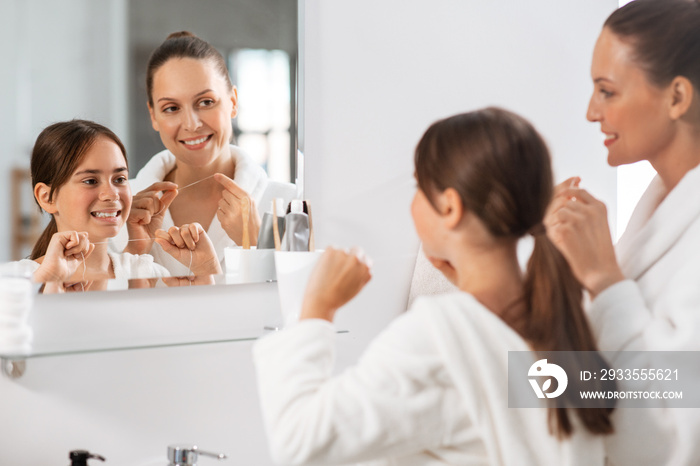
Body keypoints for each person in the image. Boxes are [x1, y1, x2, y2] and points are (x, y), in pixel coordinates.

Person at [254, 108, 615, 465]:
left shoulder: (438, 338)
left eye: (419, 187)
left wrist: (318, 307)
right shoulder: (564, 316)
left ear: (450, 207)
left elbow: (299, 441)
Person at [544, 1, 700, 464]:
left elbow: (674, 437)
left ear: (676, 98)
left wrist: (605, 280)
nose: (592, 112)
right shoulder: (658, 207)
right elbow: (601, 378)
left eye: (607, 91)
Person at [116, 31, 268, 275]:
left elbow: (302, 305)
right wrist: (134, 252)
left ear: (233, 101)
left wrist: (257, 243)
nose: (191, 124)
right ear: (153, 115)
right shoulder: (120, 208)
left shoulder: (288, 205)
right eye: (171, 108)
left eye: (206, 102)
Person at [21, 119, 220, 292]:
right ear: (47, 197)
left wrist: (206, 271)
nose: (112, 194)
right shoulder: (16, 281)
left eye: (120, 179)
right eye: (90, 181)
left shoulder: (148, 273)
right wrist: (46, 281)